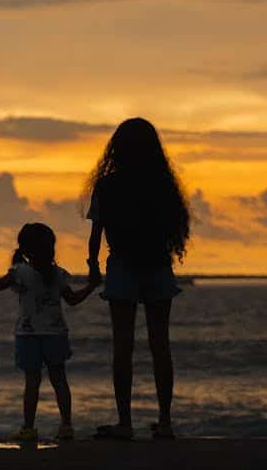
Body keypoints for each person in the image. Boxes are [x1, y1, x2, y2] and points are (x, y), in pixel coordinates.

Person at [85, 118, 191, 441]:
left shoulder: (106, 185)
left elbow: (95, 234)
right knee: (160, 344)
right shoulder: (162, 184)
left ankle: (126, 422)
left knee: (123, 345)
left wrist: (92, 265)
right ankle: (166, 421)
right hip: (158, 266)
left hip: (121, 267)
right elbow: (176, 228)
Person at [0, 223, 100, 442]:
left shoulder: (20, 272)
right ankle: (66, 426)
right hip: (56, 334)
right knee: (60, 381)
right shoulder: (59, 274)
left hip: (28, 336)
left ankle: (28, 428)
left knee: (32, 383)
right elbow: (74, 300)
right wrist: (91, 286)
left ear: (25, 250)